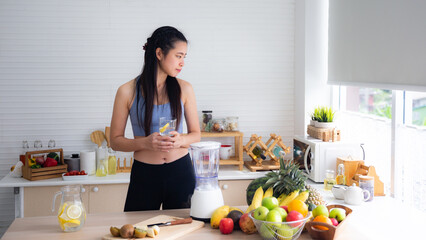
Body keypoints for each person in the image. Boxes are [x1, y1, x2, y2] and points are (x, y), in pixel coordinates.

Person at [110, 26, 201, 211]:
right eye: (178, 56)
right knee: (137, 232)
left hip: (181, 172)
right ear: (159, 53)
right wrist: (145, 143)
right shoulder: (126, 91)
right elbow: (115, 141)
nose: (182, 63)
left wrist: (180, 140)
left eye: (184, 57)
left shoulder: (185, 88)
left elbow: (196, 134)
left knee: (184, 231)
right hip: (145, 175)